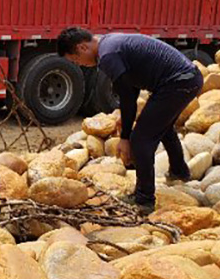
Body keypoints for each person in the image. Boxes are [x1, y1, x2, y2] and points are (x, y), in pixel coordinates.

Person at [57, 27, 203, 213]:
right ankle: (180, 173)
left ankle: (144, 199)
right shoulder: (108, 43)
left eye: (75, 60)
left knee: (140, 140)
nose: (79, 64)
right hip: (186, 79)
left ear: (82, 48)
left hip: (178, 82)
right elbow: (131, 89)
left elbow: (127, 98)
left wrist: (125, 138)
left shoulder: (108, 55)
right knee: (163, 128)